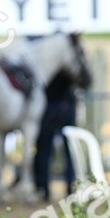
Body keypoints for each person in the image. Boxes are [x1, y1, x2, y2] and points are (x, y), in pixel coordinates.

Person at [33, 70, 77, 202]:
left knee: (46, 150)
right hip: (63, 106)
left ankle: (43, 188)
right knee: (58, 150)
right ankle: (67, 188)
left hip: (51, 108)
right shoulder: (67, 69)